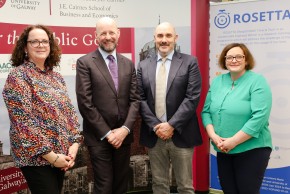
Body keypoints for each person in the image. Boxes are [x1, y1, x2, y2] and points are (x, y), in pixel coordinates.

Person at [2, 25, 83, 194]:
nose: (40, 45)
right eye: (35, 41)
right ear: (25, 47)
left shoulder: (56, 77)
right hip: (36, 159)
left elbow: (69, 113)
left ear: (50, 46)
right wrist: (51, 157)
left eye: (45, 41)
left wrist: (75, 143)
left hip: (61, 156)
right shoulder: (18, 76)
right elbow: (23, 122)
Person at [75, 17, 139, 194]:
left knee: (121, 186)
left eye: (111, 32)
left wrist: (125, 129)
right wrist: (108, 133)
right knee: (103, 186)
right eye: (103, 33)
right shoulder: (85, 62)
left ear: (118, 34)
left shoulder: (128, 64)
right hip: (99, 137)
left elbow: (135, 100)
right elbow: (85, 103)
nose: (108, 36)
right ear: (96, 37)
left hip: (124, 137)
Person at [137, 22, 202, 194]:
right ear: (154, 39)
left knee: (185, 186)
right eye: (160, 36)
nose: (164, 40)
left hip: (181, 132)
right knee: (159, 185)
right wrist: (156, 126)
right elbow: (139, 98)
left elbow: (192, 97)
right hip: (154, 134)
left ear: (175, 38)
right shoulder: (144, 66)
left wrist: (171, 125)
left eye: (168, 36)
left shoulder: (190, 62)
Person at [202, 43, 272, 194]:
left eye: (239, 56)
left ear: (246, 60)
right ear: (224, 60)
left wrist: (233, 142)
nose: (234, 60)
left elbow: (259, 117)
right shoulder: (218, 81)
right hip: (223, 150)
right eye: (230, 57)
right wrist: (213, 136)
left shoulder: (257, 81)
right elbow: (206, 112)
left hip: (252, 150)